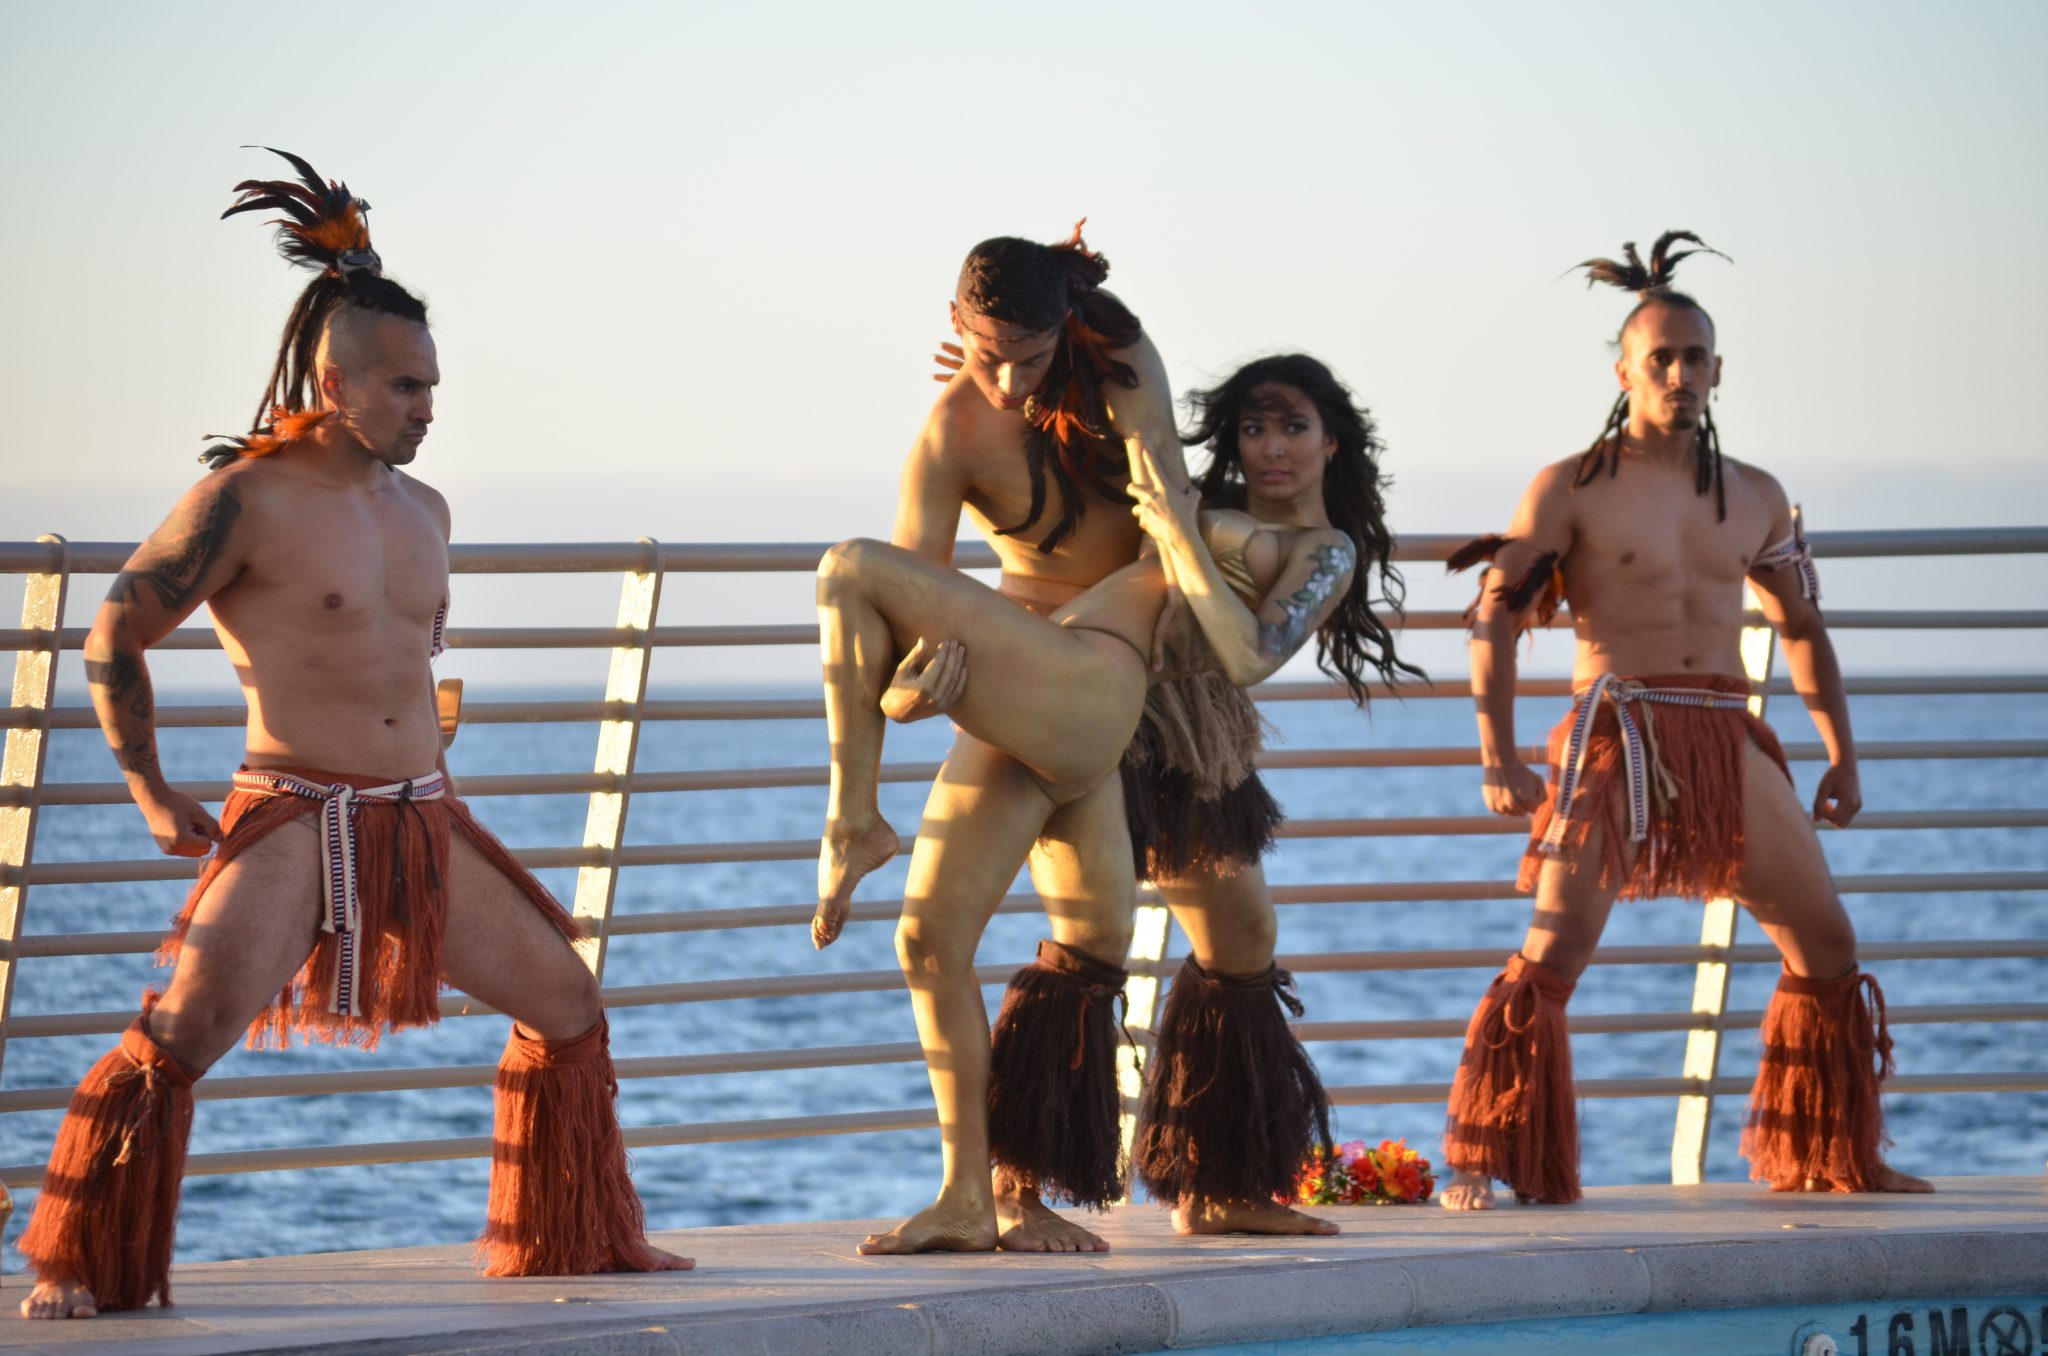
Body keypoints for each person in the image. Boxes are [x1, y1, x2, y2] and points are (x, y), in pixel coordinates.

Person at [18, 150, 688, 1321]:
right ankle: (78, 1260)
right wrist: (148, 791)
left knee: (568, 1004)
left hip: (420, 816)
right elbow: (114, 636)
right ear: (335, 382)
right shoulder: (244, 501)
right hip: (293, 811)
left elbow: (400, 663)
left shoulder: (425, 510)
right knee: (178, 1035)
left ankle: (575, 1239)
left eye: (433, 388)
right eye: (405, 389)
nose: (427, 409)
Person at [812, 330, 1414, 1257]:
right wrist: (1010, 370)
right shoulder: (1180, 495)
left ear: (1334, 439)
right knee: (1088, 940)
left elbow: (1247, 650)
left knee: (1244, 936)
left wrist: (1174, 526)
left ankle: (1220, 1181)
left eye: (1294, 426)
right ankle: (1013, 1187)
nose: (1272, 447)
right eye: (1253, 428)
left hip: (1194, 739)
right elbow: (1112, 410)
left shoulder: (1265, 533)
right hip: (1103, 716)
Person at [1436, 231, 1929, 1211]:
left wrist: (1841, 758)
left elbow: (1800, 630)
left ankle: (1827, 1152)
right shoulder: (1569, 485)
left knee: (1823, 943)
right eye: (1657, 357)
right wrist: (1494, 756)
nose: (1676, 372)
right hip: (1614, 734)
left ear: (1717, 370)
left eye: (1693, 356)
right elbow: (1491, 619)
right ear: (1621, 370)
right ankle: (1484, 1157)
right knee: (1551, 955)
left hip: (1723, 734)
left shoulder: (1753, 494)